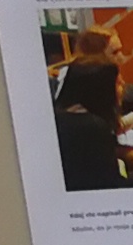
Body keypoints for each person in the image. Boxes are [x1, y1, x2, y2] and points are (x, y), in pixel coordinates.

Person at [50, 58, 126, 193]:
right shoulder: (94, 128)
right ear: (100, 89)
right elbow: (109, 183)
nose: (123, 86)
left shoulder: (57, 116)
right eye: (117, 83)